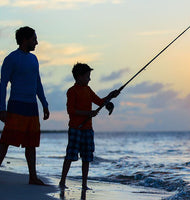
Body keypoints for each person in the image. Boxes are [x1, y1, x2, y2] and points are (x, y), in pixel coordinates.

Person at [0, 26, 50, 185]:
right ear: (25, 40)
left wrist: (45, 104)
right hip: (16, 105)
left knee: (31, 143)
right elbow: (3, 85)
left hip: (32, 107)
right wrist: (2, 109)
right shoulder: (11, 58)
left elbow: (37, 83)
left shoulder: (34, 59)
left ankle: (33, 177)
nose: (37, 42)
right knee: (6, 141)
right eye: (34, 39)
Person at [59, 63, 119, 190]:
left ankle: (84, 184)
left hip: (88, 129)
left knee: (86, 157)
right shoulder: (72, 91)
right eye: (88, 76)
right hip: (76, 128)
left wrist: (110, 95)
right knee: (70, 155)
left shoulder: (88, 89)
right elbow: (71, 111)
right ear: (79, 76)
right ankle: (62, 181)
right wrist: (89, 113)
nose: (89, 79)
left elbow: (100, 102)